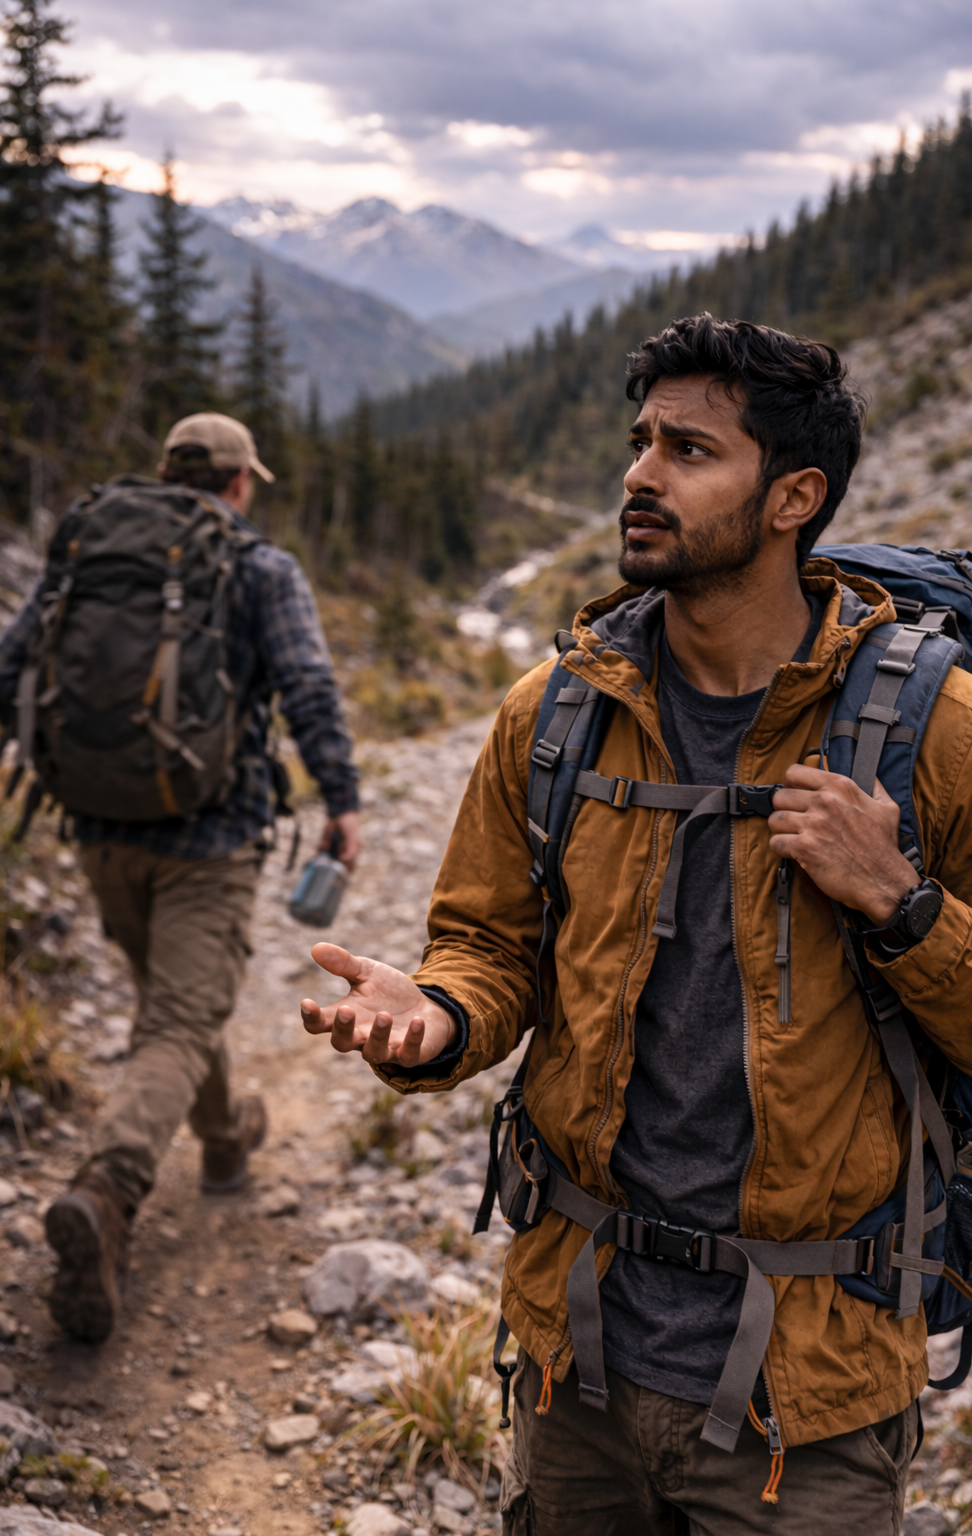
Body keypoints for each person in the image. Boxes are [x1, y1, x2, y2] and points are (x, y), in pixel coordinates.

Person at [298, 316, 972, 1533]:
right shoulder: (554, 714)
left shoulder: (936, 734)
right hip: (576, 1359)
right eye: (639, 441)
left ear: (793, 496)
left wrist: (901, 903)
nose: (639, 475)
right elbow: (489, 946)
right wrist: (439, 1015)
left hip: (808, 1399)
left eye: (689, 450)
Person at [0, 412, 361, 1345]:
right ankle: (106, 1193)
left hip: (99, 828)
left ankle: (227, 1142)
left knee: (171, 1009)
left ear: (165, 475)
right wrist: (342, 803)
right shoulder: (257, 566)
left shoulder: (91, 553)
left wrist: (78, 756)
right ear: (238, 483)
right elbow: (308, 689)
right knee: (180, 1019)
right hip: (211, 834)